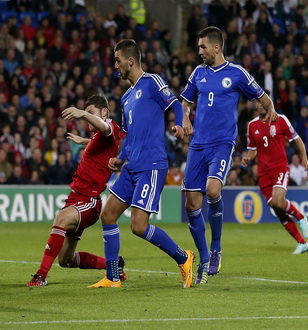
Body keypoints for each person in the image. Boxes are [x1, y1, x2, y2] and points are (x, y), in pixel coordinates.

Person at [88, 39, 194, 289]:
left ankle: (183, 257)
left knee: (138, 226)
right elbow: (129, 136)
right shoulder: (125, 98)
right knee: (108, 215)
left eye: (117, 60)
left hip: (152, 165)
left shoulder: (152, 82)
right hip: (131, 166)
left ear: (130, 60)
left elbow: (176, 104)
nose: (115, 65)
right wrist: (121, 159)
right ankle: (113, 277)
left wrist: (179, 123)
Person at [180, 26, 278, 283]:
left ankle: (216, 248)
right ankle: (202, 258)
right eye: (198, 47)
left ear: (216, 47)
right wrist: (185, 118)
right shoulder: (198, 73)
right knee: (191, 203)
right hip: (198, 144)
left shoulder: (236, 73)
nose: (199, 51)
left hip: (223, 143)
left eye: (202, 47)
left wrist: (270, 111)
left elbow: (263, 97)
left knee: (212, 190)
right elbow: (185, 101)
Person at [27, 94, 121, 286]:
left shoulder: (110, 127)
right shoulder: (97, 137)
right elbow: (103, 143)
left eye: (91, 113)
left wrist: (80, 113)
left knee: (61, 219)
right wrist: (84, 141)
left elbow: (105, 128)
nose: (87, 119)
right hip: (76, 198)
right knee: (66, 260)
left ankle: (40, 276)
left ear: (104, 112)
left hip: (89, 200)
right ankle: (114, 266)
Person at [242, 93, 308, 254]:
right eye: (258, 102)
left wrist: (304, 158)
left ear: (269, 102)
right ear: (255, 105)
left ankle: (301, 217)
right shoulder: (252, 125)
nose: (261, 104)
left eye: (263, 101)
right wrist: (247, 158)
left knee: (279, 202)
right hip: (263, 173)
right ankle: (302, 242)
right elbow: (252, 150)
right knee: (277, 209)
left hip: (280, 168)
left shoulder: (280, 119)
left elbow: (297, 139)